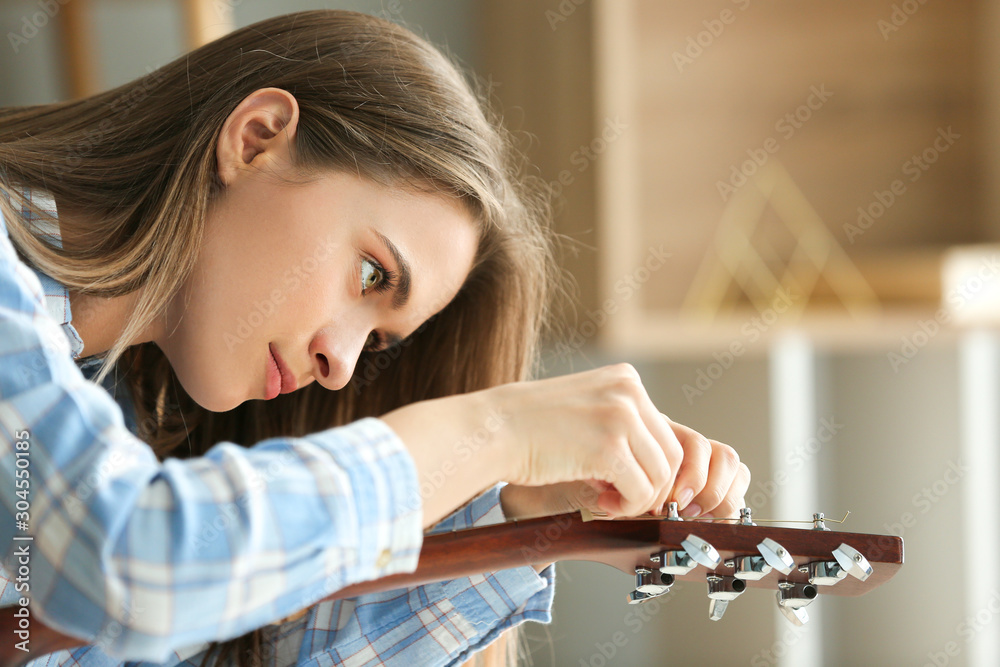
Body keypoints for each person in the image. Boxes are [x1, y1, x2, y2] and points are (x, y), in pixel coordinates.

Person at [0, 9, 751, 667]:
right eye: (369, 273)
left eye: (381, 342)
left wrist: (519, 516)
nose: (341, 366)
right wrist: (493, 429)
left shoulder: (124, 408)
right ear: (256, 139)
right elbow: (126, 561)